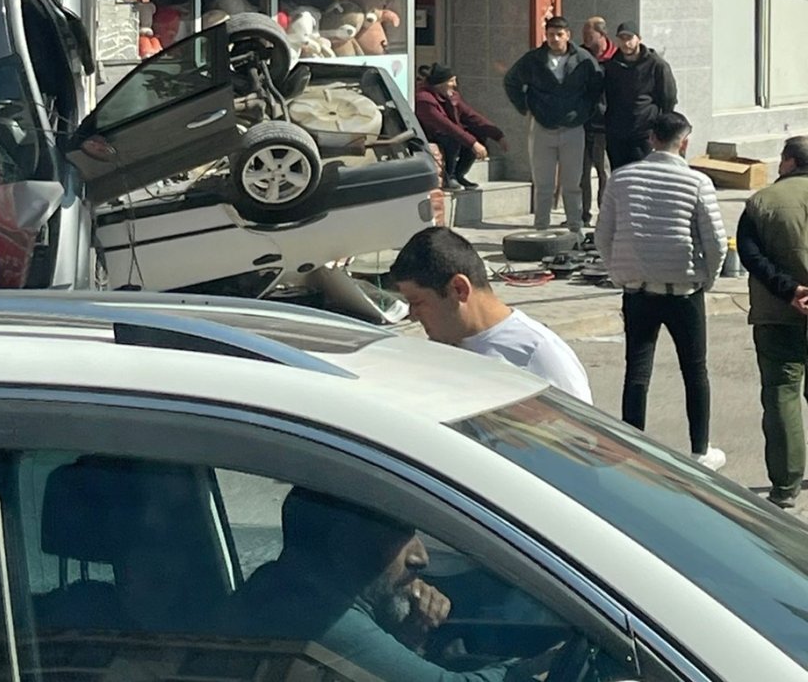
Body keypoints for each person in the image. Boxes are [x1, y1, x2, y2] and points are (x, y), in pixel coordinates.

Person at [226, 486, 558, 682]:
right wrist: (544, 668)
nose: (421, 556)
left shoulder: (277, 585)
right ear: (345, 541)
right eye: (400, 533)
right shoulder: (313, 612)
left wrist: (407, 635)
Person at [594, 112, 727, 469]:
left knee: (636, 370)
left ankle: (631, 444)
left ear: (652, 138)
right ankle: (700, 449)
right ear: (684, 142)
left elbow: (602, 235)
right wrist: (707, 278)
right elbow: (715, 242)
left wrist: (619, 272)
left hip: (637, 290)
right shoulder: (697, 182)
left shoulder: (621, 178)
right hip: (684, 289)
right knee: (694, 370)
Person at [390, 226, 593, 403]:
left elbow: (583, 439)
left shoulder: (539, 355)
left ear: (459, 289)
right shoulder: (444, 345)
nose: (412, 315)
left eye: (417, 302)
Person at [736, 137, 808, 509]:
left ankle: (785, 484)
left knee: (781, 394)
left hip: (778, 313)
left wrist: (790, 290)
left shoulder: (762, 203)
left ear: (788, 162)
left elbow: (749, 254)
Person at [504, 16, 603, 233]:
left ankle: (575, 227)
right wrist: (525, 107)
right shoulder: (533, 59)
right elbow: (511, 81)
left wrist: (585, 111)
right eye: (550, 35)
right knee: (543, 185)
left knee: (572, 184)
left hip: (573, 128)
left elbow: (596, 86)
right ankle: (540, 228)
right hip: (542, 127)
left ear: (568, 35)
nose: (555, 39)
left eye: (559, 34)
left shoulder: (583, 59)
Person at [414, 63, 508, 191]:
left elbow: (470, 116)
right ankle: (449, 176)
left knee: (477, 135)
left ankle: (459, 174)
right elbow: (446, 125)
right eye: (451, 81)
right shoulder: (424, 99)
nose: (455, 85)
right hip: (430, 134)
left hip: (446, 132)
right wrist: (473, 143)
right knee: (454, 138)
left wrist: (497, 135)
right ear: (440, 83)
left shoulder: (451, 96)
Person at [602, 21, 677, 169]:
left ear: (639, 39)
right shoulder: (612, 66)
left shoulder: (656, 65)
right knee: (620, 175)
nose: (626, 43)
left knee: (643, 174)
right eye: (622, 38)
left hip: (644, 132)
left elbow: (668, 98)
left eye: (629, 38)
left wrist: (659, 128)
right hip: (617, 133)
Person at [579, 17, 616, 226]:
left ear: (602, 35)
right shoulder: (580, 56)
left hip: (605, 125)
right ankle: (582, 214)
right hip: (582, 123)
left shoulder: (615, 59)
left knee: (604, 172)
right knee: (581, 172)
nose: (584, 37)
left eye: (589, 34)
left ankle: (605, 216)